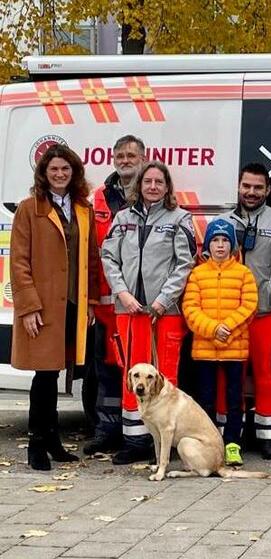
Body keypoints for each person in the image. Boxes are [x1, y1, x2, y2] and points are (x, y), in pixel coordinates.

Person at [101, 161, 197, 465]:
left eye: (159, 181)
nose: (153, 186)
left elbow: (185, 263)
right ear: (139, 185)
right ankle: (134, 440)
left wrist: (163, 300)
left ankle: (164, 442)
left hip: (163, 313)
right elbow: (108, 257)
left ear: (167, 186)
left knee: (165, 373)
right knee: (132, 375)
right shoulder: (122, 218)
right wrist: (124, 294)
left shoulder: (180, 218)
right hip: (129, 310)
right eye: (148, 181)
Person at [11, 144, 98, 470]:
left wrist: (89, 301)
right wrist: (29, 307)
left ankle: (53, 440)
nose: (60, 174)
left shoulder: (82, 209)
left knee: (61, 372)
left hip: (72, 305)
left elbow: (90, 259)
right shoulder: (29, 208)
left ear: (73, 172)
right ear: (44, 174)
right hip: (43, 306)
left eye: (65, 169)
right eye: (54, 170)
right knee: (44, 375)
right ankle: (37, 442)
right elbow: (19, 263)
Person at [219, 163, 271, 460]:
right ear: (238, 186)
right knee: (227, 379)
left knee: (269, 376)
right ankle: (226, 436)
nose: (251, 192)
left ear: (268, 190)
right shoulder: (222, 222)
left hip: (266, 313)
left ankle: (269, 439)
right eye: (246, 186)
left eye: (258, 187)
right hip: (229, 316)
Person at [85, 134, 146, 456]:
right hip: (106, 305)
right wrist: (91, 300)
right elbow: (90, 256)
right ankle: (104, 430)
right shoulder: (97, 199)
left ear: (143, 158)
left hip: (137, 305)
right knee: (105, 372)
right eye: (120, 155)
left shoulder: (151, 195)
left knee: (138, 370)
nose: (125, 160)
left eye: (131, 155)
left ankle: (135, 432)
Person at [183, 218, 258, 467]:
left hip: (234, 350)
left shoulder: (243, 274)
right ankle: (209, 445)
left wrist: (228, 330)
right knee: (206, 401)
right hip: (204, 351)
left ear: (233, 246)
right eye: (215, 240)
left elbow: (249, 306)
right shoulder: (197, 274)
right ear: (207, 245)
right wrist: (214, 329)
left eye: (225, 240)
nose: (220, 246)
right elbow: (190, 309)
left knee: (234, 400)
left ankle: (233, 445)